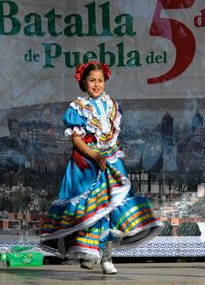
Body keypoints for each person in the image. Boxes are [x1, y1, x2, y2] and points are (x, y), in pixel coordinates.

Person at [40, 61, 164, 274]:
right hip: (87, 163)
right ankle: (88, 251)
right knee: (93, 210)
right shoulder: (77, 107)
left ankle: (106, 256)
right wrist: (95, 155)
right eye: (92, 80)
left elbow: (112, 135)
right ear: (84, 82)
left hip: (110, 160)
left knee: (112, 207)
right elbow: (77, 140)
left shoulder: (112, 105)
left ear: (105, 81)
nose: (96, 84)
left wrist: (109, 154)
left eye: (100, 80)